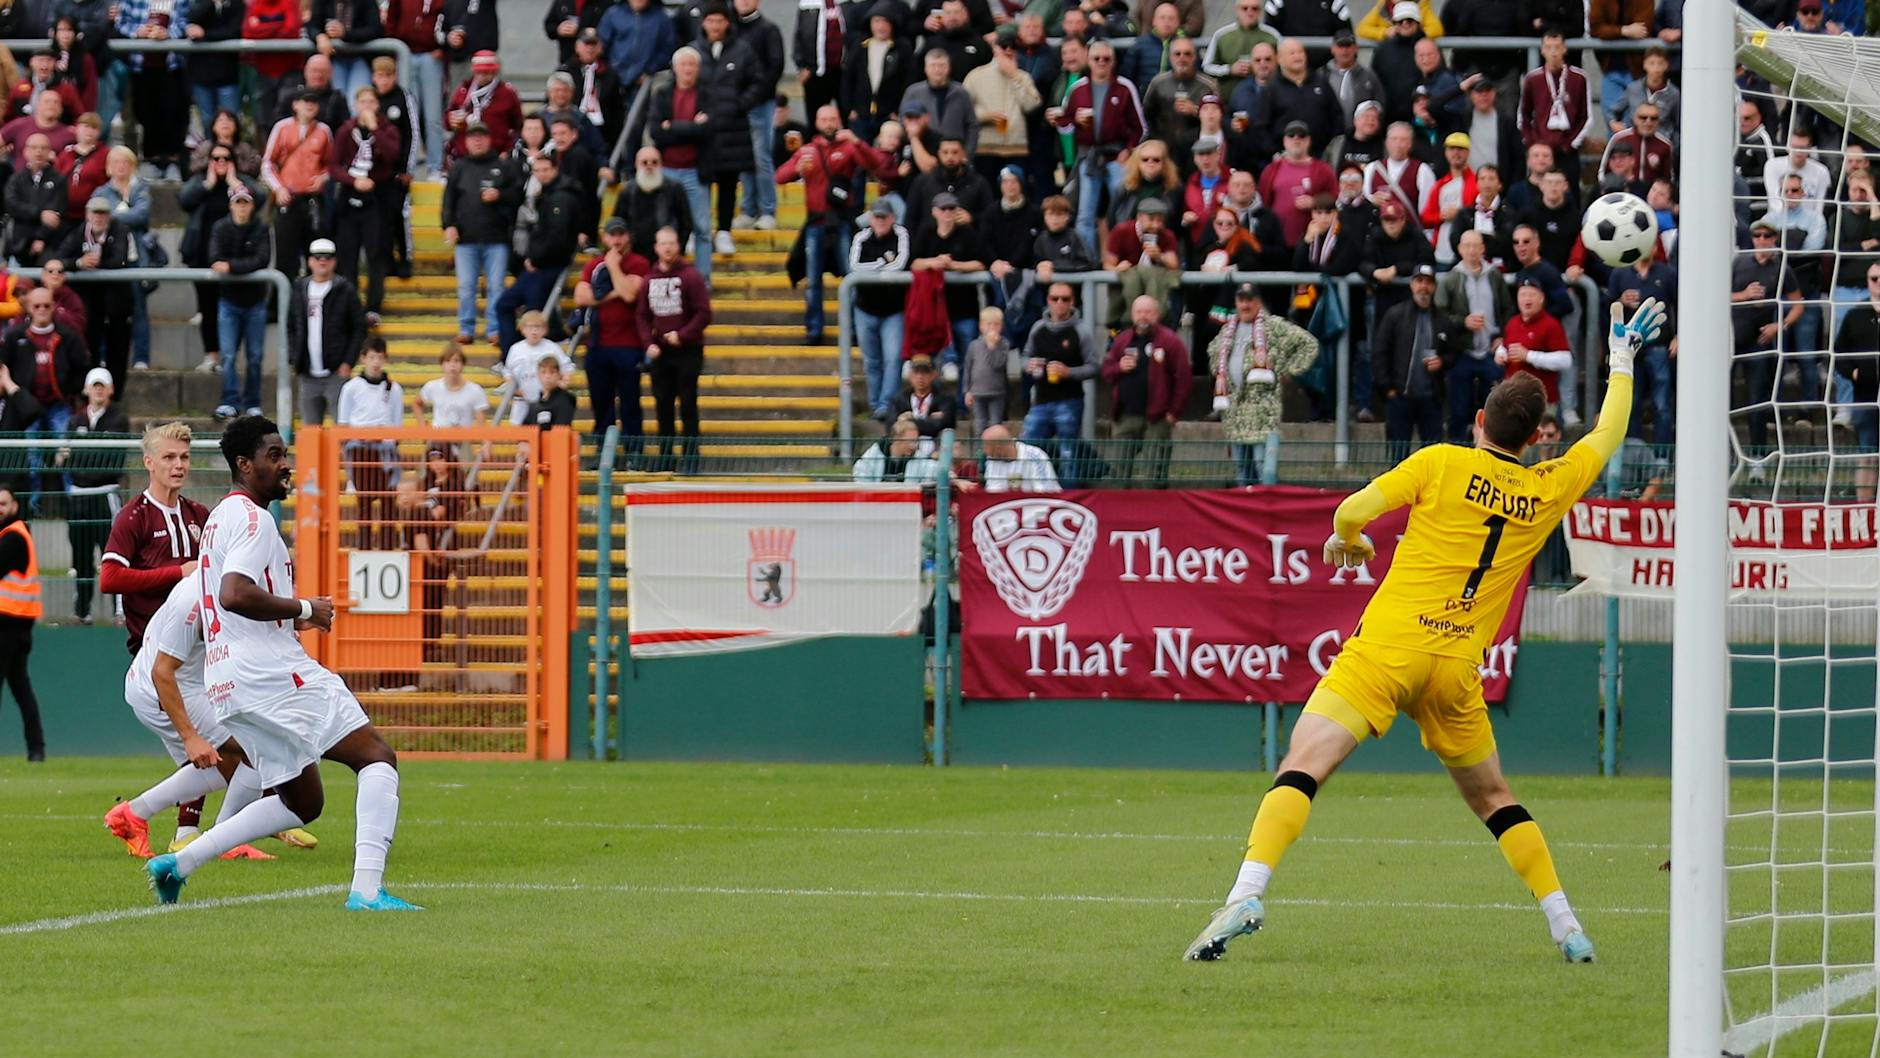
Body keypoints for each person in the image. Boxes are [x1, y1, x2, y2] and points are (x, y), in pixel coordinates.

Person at [1183, 297, 1666, 967]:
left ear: (1479, 422)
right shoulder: (1547, 488)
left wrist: (1350, 541)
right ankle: (1567, 926)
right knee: (1494, 798)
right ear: (1535, 439)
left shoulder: (1440, 462)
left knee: (1303, 765)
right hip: (1457, 666)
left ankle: (1245, 894)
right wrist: (1620, 359)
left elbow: (1351, 511)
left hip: (1387, 650)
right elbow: (1608, 433)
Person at [143, 416, 420, 912]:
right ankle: (366, 891)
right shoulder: (254, 519)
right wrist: (305, 607)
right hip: (270, 674)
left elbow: (232, 597)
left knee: (303, 801)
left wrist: (289, 616)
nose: (285, 464)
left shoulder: (219, 520)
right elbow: (234, 593)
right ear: (245, 465)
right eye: (273, 456)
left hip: (229, 683)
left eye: (285, 454)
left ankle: (178, 863)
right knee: (377, 757)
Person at [101, 574, 279, 863]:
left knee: (233, 762)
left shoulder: (227, 583)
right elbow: (162, 671)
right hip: (162, 688)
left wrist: (300, 615)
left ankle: (133, 814)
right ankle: (226, 839)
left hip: (182, 684)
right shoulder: (194, 598)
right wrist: (190, 737)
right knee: (261, 747)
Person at [777, 105, 885, 344]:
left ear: (839, 121)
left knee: (850, 276)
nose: (828, 124)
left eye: (832, 119)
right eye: (824, 119)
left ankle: (855, 331)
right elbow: (780, 176)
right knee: (813, 281)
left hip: (842, 222)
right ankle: (814, 330)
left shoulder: (848, 147)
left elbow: (876, 164)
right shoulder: (807, 151)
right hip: (815, 222)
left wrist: (857, 141)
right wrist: (796, 169)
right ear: (816, 123)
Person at [1055, 40, 1145, 256]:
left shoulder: (1124, 87)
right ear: (1089, 61)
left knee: (1123, 207)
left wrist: (1129, 151)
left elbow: (1140, 127)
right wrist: (1075, 121)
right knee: (1085, 213)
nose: (1101, 62)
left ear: (1113, 61)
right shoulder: (1078, 89)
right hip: (1089, 155)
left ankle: (1123, 255)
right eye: (1097, 58)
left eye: (1106, 58)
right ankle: (1086, 257)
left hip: (1117, 155)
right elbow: (1064, 125)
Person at [178, 144, 256, 377]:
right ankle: (211, 355)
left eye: (226, 158)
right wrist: (208, 184)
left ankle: (229, 357)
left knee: (233, 308)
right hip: (202, 256)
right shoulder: (200, 180)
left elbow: (259, 198)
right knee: (208, 307)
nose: (221, 162)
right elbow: (183, 199)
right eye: (216, 158)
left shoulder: (240, 182)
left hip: (234, 258)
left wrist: (234, 183)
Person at [639, 227, 712, 473]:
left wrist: (682, 335)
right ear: (656, 247)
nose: (667, 248)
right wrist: (648, 343)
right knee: (663, 406)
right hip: (660, 353)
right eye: (663, 243)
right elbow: (642, 315)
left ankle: (691, 458)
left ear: (678, 245)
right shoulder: (649, 279)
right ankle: (666, 457)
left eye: (671, 243)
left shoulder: (691, 276)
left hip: (688, 351)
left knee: (688, 404)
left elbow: (704, 313)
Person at [440, 123, 520, 346]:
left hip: (497, 238)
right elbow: (448, 200)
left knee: (497, 287)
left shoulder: (503, 166)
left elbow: (517, 195)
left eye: (481, 136)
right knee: (466, 287)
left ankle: (495, 329)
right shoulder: (459, 167)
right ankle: (466, 328)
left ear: (489, 139)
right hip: (466, 239)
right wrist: (448, 225)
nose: (477, 140)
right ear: (466, 141)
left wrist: (500, 195)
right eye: (473, 137)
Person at [494, 153, 582, 351]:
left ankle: (545, 342)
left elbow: (557, 236)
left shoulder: (561, 197)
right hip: (538, 265)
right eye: (537, 170)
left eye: (546, 170)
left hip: (549, 265)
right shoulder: (546, 194)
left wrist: (535, 259)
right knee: (505, 305)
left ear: (555, 169)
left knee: (531, 310)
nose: (541, 174)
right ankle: (511, 356)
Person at [575, 217, 650, 446]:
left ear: (628, 236)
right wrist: (614, 291)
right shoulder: (594, 265)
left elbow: (629, 294)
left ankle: (633, 451)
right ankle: (603, 449)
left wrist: (614, 266)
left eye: (621, 234)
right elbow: (581, 296)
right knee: (600, 402)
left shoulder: (639, 263)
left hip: (629, 345)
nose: (616, 240)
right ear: (604, 237)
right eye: (612, 235)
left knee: (630, 403)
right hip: (597, 344)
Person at [330, 87, 401, 327]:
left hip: (377, 199)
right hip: (350, 199)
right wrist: (353, 180)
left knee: (375, 255)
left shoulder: (388, 129)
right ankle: (350, 306)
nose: (367, 106)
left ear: (377, 105)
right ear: (356, 104)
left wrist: (374, 129)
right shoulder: (346, 130)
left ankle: (373, 307)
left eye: (371, 101)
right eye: (363, 102)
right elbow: (334, 166)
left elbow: (392, 155)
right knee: (347, 256)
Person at [1101, 294, 1190, 486]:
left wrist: (1174, 412)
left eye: (1148, 312)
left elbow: (1183, 378)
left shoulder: (1170, 341)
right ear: (1132, 315)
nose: (1143, 316)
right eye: (1139, 312)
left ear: (1157, 314)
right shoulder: (1122, 340)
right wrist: (1119, 367)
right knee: (1118, 474)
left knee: (1154, 476)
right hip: (1125, 416)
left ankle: (1155, 505)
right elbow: (1106, 373)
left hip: (1157, 418)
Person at [60, 365, 125, 625]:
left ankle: (119, 612)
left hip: (105, 494)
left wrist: (80, 455)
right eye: (94, 385)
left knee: (113, 554)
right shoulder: (75, 420)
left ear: (111, 390)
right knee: (81, 554)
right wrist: (90, 455)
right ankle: (82, 611)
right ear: (86, 389)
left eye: (103, 386)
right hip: (78, 496)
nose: (98, 390)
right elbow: (64, 458)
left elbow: (112, 461)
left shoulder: (118, 419)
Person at [1374, 264, 1459, 459]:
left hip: (1431, 399)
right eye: (1419, 281)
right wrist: (1387, 388)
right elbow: (1380, 352)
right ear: (1412, 285)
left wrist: (1442, 362)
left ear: (1434, 287)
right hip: (1400, 397)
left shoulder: (1443, 320)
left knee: (1432, 457)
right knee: (1398, 458)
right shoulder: (1395, 315)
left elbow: (1454, 354)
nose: (1423, 287)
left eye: (1428, 282)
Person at [649, 47, 719, 282]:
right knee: (664, 226)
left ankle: (702, 280)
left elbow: (708, 130)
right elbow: (656, 131)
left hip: (695, 171)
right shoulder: (662, 94)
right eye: (684, 65)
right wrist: (691, 127)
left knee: (702, 228)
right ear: (675, 67)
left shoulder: (707, 95)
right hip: (667, 170)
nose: (688, 69)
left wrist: (673, 126)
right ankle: (666, 275)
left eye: (692, 65)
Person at [1019, 280, 1099, 480]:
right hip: (1040, 401)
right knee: (1027, 449)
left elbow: (1094, 366)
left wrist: (1068, 372)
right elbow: (1025, 356)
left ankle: (1069, 494)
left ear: (1073, 302)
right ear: (1048, 301)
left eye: (1065, 299)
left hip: (1069, 401)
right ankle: (1031, 489)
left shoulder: (1081, 331)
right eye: (1055, 298)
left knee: (1068, 455)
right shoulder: (1038, 328)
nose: (1060, 303)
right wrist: (1029, 365)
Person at [1605, 244, 1678, 451]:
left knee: (1662, 404)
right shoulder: (1619, 273)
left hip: (1658, 346)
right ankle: (1634, 457)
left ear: (1655, 248)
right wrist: (1620, 301)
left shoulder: (1667, 273)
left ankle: (1662, 458)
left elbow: (1681, 304)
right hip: (1629, 349)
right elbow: (1607, 306)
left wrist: (1678, 336)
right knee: (1631, 403)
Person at [910, 191, 990, 377]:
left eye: (951, 208)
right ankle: (936, 395)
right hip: (933, 313)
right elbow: (914, 263)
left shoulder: (968, 232)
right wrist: (934, 263)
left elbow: (981, 263)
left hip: (964, 309)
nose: (947, 212)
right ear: (934, 212)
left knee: (968, 363)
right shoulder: (926, 231)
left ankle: (965, 397)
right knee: (931, 365)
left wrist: (953, 265)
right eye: (943, 208)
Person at [287, 239, 365, 426]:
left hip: (336, 373)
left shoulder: (345, 289)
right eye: (318, 257)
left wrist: (348, 362)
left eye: (328, 257)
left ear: (334, 261)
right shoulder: (299, 288)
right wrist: (295, 358)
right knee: (311, 429)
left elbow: (359, 328)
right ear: (310, 261)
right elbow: (291, 326)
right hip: (307, 374)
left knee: (342, 427)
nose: (323, 261)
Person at [56, 194, 130, 391]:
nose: (99, 217)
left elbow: (120, 259)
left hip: (116, 303)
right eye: (95, 213)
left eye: (103, 213)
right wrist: (79, 262)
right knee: (89, 347)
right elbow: (60, 257)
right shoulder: (79, 232)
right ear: (87, 215)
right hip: (89, 303)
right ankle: (88, 393)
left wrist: (98, 263)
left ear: (109, 216)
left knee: (117, 351)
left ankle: (115, 395)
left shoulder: (120, 230)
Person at [336, 339, 404, 548]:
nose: (375, 362)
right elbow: (344, 424)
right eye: (372, 357)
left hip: (385, 450)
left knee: (389, 502)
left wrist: (383, 436)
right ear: (363, 358)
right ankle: (364, 547)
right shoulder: (351, 388)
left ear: (385, 360)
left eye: (380, 358)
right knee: (364, 502)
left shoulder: (394, 389)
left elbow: (397, 425)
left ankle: (387, 547)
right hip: (360, 450)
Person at [262, 89, 334, 279]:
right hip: (288, 199)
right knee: (285, 257)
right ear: (295, 105)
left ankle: (315, 295)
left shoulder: (324, 130)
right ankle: (284, 297)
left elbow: (331, 165)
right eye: (304, 100)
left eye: (313, 101)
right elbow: (267, 163)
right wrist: (278, 189)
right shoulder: (281, 127)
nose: (309, 104)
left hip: (313, 200)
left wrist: (322, 178)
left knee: (316, 252)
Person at [850, 200, 911, 420]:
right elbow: (854, 266)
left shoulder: (901, 234)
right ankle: (875, 403)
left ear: (892, 218)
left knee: (893, 359)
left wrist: (873, 268)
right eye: (877, 217)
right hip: (865, 309)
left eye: (885, 217)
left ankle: (886, 405)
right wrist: (881, 263)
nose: (881, 221)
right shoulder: (861, 236)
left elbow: (900, 264)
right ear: (871, 218)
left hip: (893, 310)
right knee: (871, 361)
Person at [0, 484, 44, 761]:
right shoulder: (15, 534)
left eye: (3, 503)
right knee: (20, 687)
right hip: (18, 626)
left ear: (15, 506)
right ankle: (36, 749)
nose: (0, 509)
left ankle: (36, 748)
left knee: (20, 688)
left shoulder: (14, 537)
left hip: (8, 625)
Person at [965, 30, 1043, 187]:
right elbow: (963, 111)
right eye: (1004, 46)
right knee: (987, 192)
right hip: (986, 148)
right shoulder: (976, 76)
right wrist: (985, 116)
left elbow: (1032, 105)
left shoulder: (1023, 77)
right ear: (995, 48)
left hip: (1016, 148)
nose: (1008, 50)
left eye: (1013, 46)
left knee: (1017, 191)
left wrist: (1014, 76)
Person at [1495, 278, 1574, 426]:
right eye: (1523, 295)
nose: (1527, 299)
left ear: (1541, 298)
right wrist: (1499, 355)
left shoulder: (1551, 325)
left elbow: (1565, 360)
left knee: (1540, 438)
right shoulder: (1513, 323)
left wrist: (1529, 356)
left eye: (1531, 295)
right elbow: (1504, 346)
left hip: (1542, 401)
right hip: (1513, 400)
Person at [1259, 120, 1337, 248]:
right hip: (1277, 241)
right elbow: (1263, 201)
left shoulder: (1323, 170)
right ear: (1284, 141)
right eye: (1291, 135)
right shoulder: (1271, 169)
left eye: (1302, 135)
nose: (1296, 139)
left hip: (1312, 241)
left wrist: (1315, 202)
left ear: (1309, 141)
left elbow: (1335, 197)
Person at [1517, 31, 1592, 157]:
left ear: (1564, 49)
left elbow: (1586, 116)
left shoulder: (1579, 78)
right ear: (1542, 50)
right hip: (1540, 150)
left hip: (1568, 149)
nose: (1553, 52)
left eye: (1557, 47)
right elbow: (1523, 115)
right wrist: (1532, 143)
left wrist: (1570, 144)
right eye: (1548, 47)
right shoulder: (1532, 79)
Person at [446, 51, 523, 166]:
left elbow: (518, 126)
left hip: (496, 156)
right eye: (478, 72)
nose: (482, 76)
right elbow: (448, 117)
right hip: (464, 156)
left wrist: (508, 150)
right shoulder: (463, 90)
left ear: (495, 72)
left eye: (486, 72)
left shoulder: (507, 93)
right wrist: (450, 121)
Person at [501, 311, 576, 425]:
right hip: (522, 400)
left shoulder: (552, 348)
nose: (534, 331)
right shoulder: (515, 349)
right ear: (522, 329)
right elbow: (507, 372)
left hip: (547, 401)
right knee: (520, 430)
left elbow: (567, 367)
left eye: (538, 327)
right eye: (530, 327)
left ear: (545, 330)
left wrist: (564, 382)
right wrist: (513, 387)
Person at [4, 132, 65, 265]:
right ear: (25, 152)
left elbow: (55, 213)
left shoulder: (58, 180)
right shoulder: (16, 179)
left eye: (43, 148)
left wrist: (41, 238)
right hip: (18, 244)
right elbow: (12, 205)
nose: (38, 152)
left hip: (48, 246)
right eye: (34, 147)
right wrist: (40, 214)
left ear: (50, 152)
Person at [1201, 0, 1278, 105]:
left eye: (1254, 9)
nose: (1249, 12)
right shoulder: (1221, 35)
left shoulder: (1272, 35)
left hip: (1267, 100)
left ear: (1260, 12)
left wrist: (1260, 67)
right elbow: (1207, 67)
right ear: (1237, 10)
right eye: (1245, 8)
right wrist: (1229, 69)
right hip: (1229, 101)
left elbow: (1283, 65)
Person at [960, 304, 1011, 435]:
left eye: (996, 324)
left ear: (1002, 326)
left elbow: (998, 364)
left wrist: (992, 347)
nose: (992, 328)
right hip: (977, 392)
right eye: (988, 324)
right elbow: (967, 368)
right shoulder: (974, 345)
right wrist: (967, 391)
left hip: (997, 392)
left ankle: (995, 447)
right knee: (979, 423)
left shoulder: (1004, 344)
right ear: (981, 326)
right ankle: (980, 447)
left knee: (995, 423)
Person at [417, 343, 491, 428]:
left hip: (463, 435)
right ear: (442, 365)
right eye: (448, 361)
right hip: (438, 435)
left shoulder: (475, 390)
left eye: (456, 361)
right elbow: (417, 404)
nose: (452, 365)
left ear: (463, 364)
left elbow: (481, 424)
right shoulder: (432, 387)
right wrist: (422, 424)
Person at [853, 416, 939, 483]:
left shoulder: (920, 458)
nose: (914, 446)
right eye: (910, 441)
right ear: (896, 439)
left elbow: (934, 471)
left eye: (916, 442)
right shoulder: (873, 455)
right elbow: (861, 476)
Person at [978, 423, 1060, 491]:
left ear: (998, 449)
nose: (984, 451)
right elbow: (994, 492)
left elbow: (1045, 491)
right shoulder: (992, 459)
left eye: (985, 447)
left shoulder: (1035, 456)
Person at [525, 357, 578, 430]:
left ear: (559, 375)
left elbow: (561, 428)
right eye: (543, 372)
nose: (547, 376)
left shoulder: (564, 400)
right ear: (538, 375)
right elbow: (525, 429)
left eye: (552, 372)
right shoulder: (534, 406)